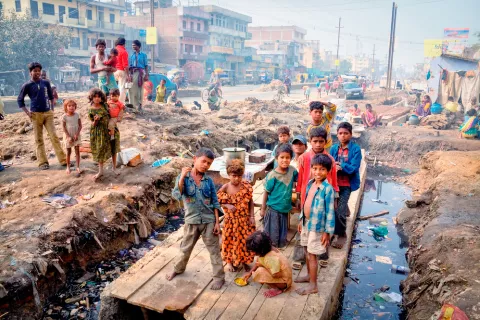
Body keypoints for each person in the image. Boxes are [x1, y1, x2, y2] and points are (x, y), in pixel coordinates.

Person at [166, 148, 225, 290]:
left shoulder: (209, 181)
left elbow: (215, 202)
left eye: (209, 163)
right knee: (185, 248)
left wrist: (217, 223)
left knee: (214, 250)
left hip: (209, 221)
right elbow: (177, 196)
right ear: (195, 159)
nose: (206, 165)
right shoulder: (184, 178)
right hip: (191, 220)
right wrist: (181, 177)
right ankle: (178, 269)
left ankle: (219, 278)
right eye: (203, 161)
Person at [294, 153, 335, 295]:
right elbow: (305, 202)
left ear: (328, 171)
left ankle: (313, 285)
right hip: (307, 223)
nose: (318, 172)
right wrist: (301, 219)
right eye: (315, 168)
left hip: (318, 227)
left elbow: (330, 211)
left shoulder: (328, 189)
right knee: (306, 250)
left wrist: (327, 232)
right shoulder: (311, 183)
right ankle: (308, 275)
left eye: (322, 169)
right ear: (311, 169)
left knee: (312, 255)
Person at [18, 62, 67, 170]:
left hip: (48, 113)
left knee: (54, 136)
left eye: (39, 71)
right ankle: (42, 162)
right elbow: (20, 100)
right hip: (35, 114)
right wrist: (27, 112)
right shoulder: (27, 85)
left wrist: (52, 109)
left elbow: (51, 96)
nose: (37, 73)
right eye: (35, 71)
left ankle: (63, 160)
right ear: (30, 72)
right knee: (38, 139)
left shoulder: (46, 83)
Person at [217, 159, 256, 272]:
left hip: (244, 220)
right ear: (228, 175)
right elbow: (217, 200)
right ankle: (229, 262)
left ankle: (244, 261)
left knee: (245, 242)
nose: (237, 178)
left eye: (239, 176)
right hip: (231, 222)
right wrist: (227, 205)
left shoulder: (245, 186)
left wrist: (252, 217)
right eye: (234, 176)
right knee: (229, 241)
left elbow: (250, 202)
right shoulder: (225, 187)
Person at [330, 122, 362, 249]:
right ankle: (344, 208)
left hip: (346, 184)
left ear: (351, 134)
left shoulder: (355, 150)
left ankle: (342, 234)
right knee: (334, 207)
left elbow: (354, 168)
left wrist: (341, 166)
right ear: (337, 135)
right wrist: (334, 166)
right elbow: (329, 163)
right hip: (334, 183)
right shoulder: (333, 148)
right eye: (340, 133)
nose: (343, 136)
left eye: (346, 133)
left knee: (339, 212)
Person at [260, 143, 298, 248]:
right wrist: (263, 208)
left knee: (282, 233)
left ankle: (280, 245)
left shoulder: (292, 171)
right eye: (282, 157)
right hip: (273, 209)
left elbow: (299, 181)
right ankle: (271, 250)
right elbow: (266, 192)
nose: (285, 160)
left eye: (287, 157)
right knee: (272, 233)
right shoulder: (272, 175)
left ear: (291, 158)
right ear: (276, 158)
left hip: (285, 208)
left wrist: (297, 199)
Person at [242, 231, 292, 298]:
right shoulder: (267, 249)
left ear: (260, 250)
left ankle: (277, 289)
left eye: (252, 251)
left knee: (259, 272)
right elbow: (258, 262)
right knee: (259, 269)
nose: (252, 253)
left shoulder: (271, 258)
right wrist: (249, 273)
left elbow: (275, 275)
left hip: (284, 282)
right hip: (282, 276)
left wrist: (263, 266)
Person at [88, 88, 120, 181]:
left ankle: (114, 168)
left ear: (101, 97)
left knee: (113, 147)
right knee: (100, 150)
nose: (97, 99)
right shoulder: (91, 110)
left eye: (99, 97)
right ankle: (100, 171)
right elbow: (93, 124)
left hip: (110, 130)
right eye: (95, 97)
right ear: (92, 98)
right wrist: (96, 120)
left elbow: (112, 113)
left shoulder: (105, 105)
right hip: (99, 133)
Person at [62, 99, 82, 175]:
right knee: (68, 152)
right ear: (66, 107)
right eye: (69, 106)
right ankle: (68, 166)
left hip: (76, 135)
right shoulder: (64, 116)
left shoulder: (77, 115)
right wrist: (68, 137)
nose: (71, 107)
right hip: (68, 136)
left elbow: (80, 126)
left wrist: (77, 134)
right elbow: (63, 127)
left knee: (77, 151)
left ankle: (78, 166)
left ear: (75, 107)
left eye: (73, 106)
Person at [128, 40, 149, 111]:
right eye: (132, 45)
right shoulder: (132, 55)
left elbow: (146, 65)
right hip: (133, 72)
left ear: (138, 46)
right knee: (133, 89)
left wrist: (146, 75)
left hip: (141, 73)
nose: (133, 46)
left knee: (140, 89)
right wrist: (129, 75)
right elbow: (130, 66)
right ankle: (133, 104)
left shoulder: (143, 55)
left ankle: (139, 104)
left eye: (134, 45)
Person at [114, 38, 129, 103]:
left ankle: (114, 101)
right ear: (123, 43)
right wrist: (128, 75)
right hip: (121, 71)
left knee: (115, 87)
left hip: (114, 71)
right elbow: (125, 65)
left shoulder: (114, 50)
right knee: (122, 88)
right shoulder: (123, 51)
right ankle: (120, 103)